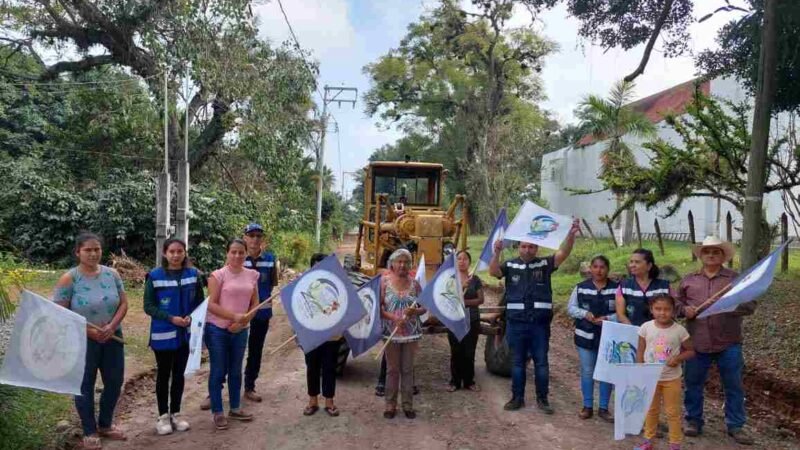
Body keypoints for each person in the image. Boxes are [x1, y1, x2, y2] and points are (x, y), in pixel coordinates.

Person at [489, 218, 580, 414]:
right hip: (516, 323)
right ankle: (517, 398)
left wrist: (571, 235)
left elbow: (563, 253)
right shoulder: (510, 265)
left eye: (531, 247)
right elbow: (493, 271)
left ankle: (543, 399)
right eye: (524, 246)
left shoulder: (545, 264)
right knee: (517, 362)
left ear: (537, 248)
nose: (527, 250)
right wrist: (496, 253)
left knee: (541, 362)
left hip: (539, 324)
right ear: (518, 248)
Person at [53, 233, 129, 450]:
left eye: (97, 249)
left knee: (114, 381)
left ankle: (105, 424)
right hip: (82, 340)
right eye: (88, 250)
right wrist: (89, 331)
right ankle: (89, 431)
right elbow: (60, 313)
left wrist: (112, 326)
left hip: (113, 336)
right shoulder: (69, 279)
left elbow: (124, 303)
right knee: (85, 385)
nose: (93, 253)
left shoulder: (112, 274)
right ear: (78, 252)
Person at [677, 236, 755, 446]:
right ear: (701, 255)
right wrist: (685, 310)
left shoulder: (735, 280)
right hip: (696, 342)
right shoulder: (688, 280)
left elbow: (750, 305)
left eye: (716, 252)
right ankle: (693, 421)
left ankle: (736, 425)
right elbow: (676, 304)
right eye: (707, 252)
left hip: (728, 342)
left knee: (733, 385)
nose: (711, 255)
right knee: (693, 384)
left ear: (723, 256)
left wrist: (728, 305)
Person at [143, 238, 205, 435]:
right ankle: (162, 416)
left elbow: (200, 302)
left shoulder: (193, 275)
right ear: (165, 253)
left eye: (180, 251)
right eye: (172, 252)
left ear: (185, 253)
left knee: (179, 375)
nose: (176, 255)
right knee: (163, 374)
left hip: (185, 335)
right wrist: (171, 318)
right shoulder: (155, 276)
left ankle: (176, 414)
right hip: (163, 335)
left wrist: (191, 317)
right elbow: (148, 306)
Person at [205, 238, 259, 430]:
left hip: (240, 331)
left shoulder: (252, 275)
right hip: (217, 330)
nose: (237, 255)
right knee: (218, 371)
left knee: (236, 371)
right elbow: (211, 304)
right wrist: (234, 317)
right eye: (233, 252)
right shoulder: (217, 275)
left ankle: (235, 408)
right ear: (227, 253)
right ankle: (218, 411)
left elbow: (255, 303)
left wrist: (244, 321)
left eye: (241, 252)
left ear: (246, 254)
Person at [635, 294, 695, 450]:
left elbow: (691, 351)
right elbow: (640, 350)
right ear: (651, 309)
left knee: (673, 412)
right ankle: (648, 441)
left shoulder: (680, 330)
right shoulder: (645, 327)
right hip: (650, 378)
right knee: (651, 410)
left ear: (673, 310)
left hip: (671, 379)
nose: (662, 313)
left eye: (667, 309)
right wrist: (639, 371)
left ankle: (675, 444)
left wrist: (678, 358)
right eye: (658, 309)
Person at [566, 255, 617, 422]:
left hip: (609, 337)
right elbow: (571, 308)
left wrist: (609, 319)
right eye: (595, 267)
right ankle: (587, 406)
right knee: (587, 371)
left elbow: (622, 312)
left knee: (606, 372)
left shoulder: (617, 289)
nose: (599, 270)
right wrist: (584, 314)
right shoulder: (581, 288)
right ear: (590, 269)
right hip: (585, 336)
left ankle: (603, 408)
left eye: (602, 267)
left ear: (607, 269)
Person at [380, 249, 426, 419]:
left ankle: (407, 405)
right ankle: (390, 405)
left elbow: (424, 308)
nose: (402, 265)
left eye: (406, 262)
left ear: (410, 265)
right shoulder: (384, 283)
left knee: (407, 369)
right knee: (392, 370)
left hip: (411, 333)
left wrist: (415, 311)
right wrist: (393, 317)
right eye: (399, 261)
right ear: (392, 264)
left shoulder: (415, 284)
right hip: (390, 332)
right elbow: (379, 308)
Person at [242, 223, 278, 402]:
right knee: (230, 349)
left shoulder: (270, 259)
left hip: (262, 311)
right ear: (245, 238)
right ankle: (216, 390)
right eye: (252, 235)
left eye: (259, 236)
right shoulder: (238, 256)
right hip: (238, 312)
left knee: (255, 350)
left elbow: (271, 284)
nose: (255, 239)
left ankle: (250, 387)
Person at [302, 253, 341, 417]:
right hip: (311, 334)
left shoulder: (337, 285)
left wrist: (336, 307)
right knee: (312, 367)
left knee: (329, 367)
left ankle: (329, 401)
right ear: (311, 267)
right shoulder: (303, 285)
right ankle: (313, 401)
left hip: (332, 335)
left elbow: (342, 307)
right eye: (316, 266)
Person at [446, 250, 484, 392]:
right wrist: (461, 287)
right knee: (456, 351)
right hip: (455, 320)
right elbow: (448, 298)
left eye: (465, 259)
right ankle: (455, 382)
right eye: (459, 259)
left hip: (472, 319)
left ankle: (469, 381)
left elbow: (480, 299)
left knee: (469, 351)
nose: (462, 261)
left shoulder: (475, 279)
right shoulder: (450, 279)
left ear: (469, 262)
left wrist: (464, 303)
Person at [615, 248, 671, 326]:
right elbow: (621, 315)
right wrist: (634, 329)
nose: (632, 265)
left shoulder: (664, 287)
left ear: (649, 266)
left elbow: (670, 311)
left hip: (658, 330)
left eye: (637, 262)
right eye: (631, 262)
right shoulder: (623, 286)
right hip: (632, 330)